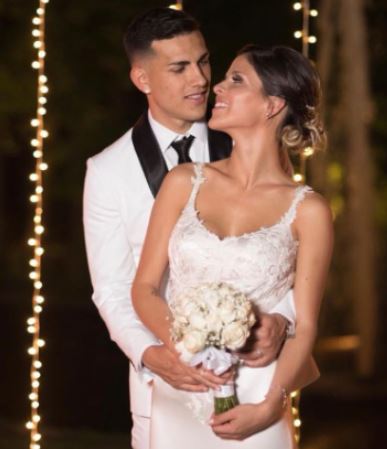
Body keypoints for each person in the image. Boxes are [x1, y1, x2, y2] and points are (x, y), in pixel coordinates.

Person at [83, 8, 310, 449]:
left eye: (204, 61)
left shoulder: (244, 135)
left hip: (253, 380)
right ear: (142, 79)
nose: (201, 79)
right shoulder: (108, 171)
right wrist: (154, 356)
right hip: (166, 388)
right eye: (180, 68)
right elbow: (111, 287)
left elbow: (283, 254)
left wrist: (282, 319)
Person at [131, 44, 333, 449]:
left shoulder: (308, 210)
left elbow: (306, 327)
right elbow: (144, 288)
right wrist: (187, 347)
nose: (216, 86)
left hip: (256, 402)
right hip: (180, 392)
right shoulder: (182, 182)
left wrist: (269, 407)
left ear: (272, 105)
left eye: (235, 80)